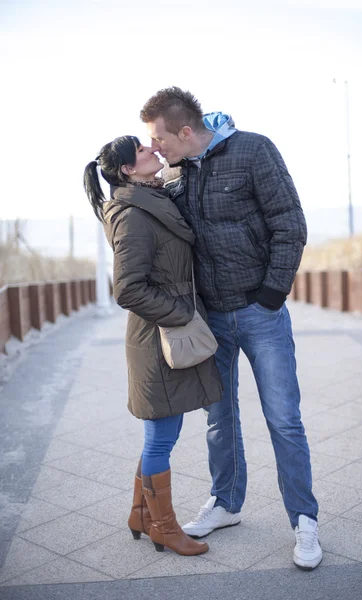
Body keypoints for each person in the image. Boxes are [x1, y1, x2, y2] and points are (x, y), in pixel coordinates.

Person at [140, 87, 322, 570]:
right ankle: (226, 503)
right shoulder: (176, 173)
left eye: (158, 138)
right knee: (220, 420)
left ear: (184, 131)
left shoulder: (254, 149)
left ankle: (304, 520)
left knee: (283, 418)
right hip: (210, 321)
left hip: (260, 314)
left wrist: (271, 295)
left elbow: (290, 222)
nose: (155, 148)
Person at [83, 135, 222, 556]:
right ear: (127, 169)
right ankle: (164, 526)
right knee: (161, 436)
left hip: (165, 330)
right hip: (157, 337)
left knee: (165, 431)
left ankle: (141, 514)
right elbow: (127, 289)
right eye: (142, 151)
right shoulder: (131, 215)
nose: (152, 151)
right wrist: (182, 316)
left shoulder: (151, 200)